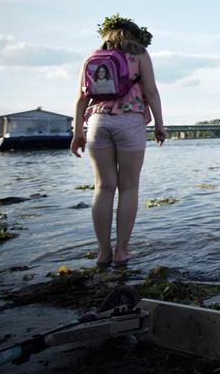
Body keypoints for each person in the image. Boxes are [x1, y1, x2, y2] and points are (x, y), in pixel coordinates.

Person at [70, 15, 166, 267]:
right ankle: (122, 251)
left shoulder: (92, 56)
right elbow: (152, 92)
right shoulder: (140, 54)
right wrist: (159, 125)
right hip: (129, 121)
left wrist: (77, 132)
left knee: (103, 188)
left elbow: (81, 98)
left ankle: (103, 253)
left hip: (97, 122)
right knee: (129, 187)